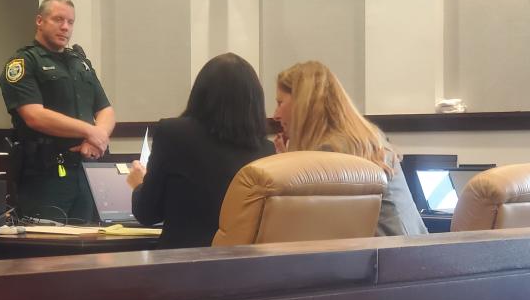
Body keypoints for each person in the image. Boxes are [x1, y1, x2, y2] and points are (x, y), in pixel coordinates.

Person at [126, 53, 274, 249]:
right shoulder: (267, 151)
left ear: (200, 94)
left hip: (181, 268)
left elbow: (147, 213)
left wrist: (138, 185)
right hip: (244, 270)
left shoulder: (174, 134)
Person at [273, 61, 428, 237]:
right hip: (412, 250)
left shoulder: (329, 153)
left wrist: (287, 171)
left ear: (303, 105)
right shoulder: (365, 138)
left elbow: (309, 227)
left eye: (280, 103)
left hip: (385, 257)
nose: (276, 114)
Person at [0, 0, 115, 223]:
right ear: (39, 21)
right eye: (58, 19)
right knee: (47, 252)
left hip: (86, 172)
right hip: (45, 175)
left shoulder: (80, 63)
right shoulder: (24, 62)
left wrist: (97, 138)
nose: (65, 27)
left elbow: (106, 110)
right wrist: (89, 131)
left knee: (88, 249)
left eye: (70, 22)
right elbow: (34, 116)